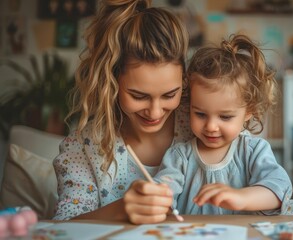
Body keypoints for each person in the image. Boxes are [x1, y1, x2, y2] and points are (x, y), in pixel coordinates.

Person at [52, 0, 193, 224]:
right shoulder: (83, 148)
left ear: (184, 81)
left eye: (169, 95)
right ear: (111, 84)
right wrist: (121, 210)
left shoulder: (203, 124)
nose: (155, 112)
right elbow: (62, 229)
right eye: (139, 96)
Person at [153, 34, 293, 215]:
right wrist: (157, 198)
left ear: (249, 112)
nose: (211, 126)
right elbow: (162, 195)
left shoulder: (253, 151)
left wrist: (241, 198)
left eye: (225, 117)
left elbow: (279, 189)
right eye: (200, 114)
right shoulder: (179, 157)